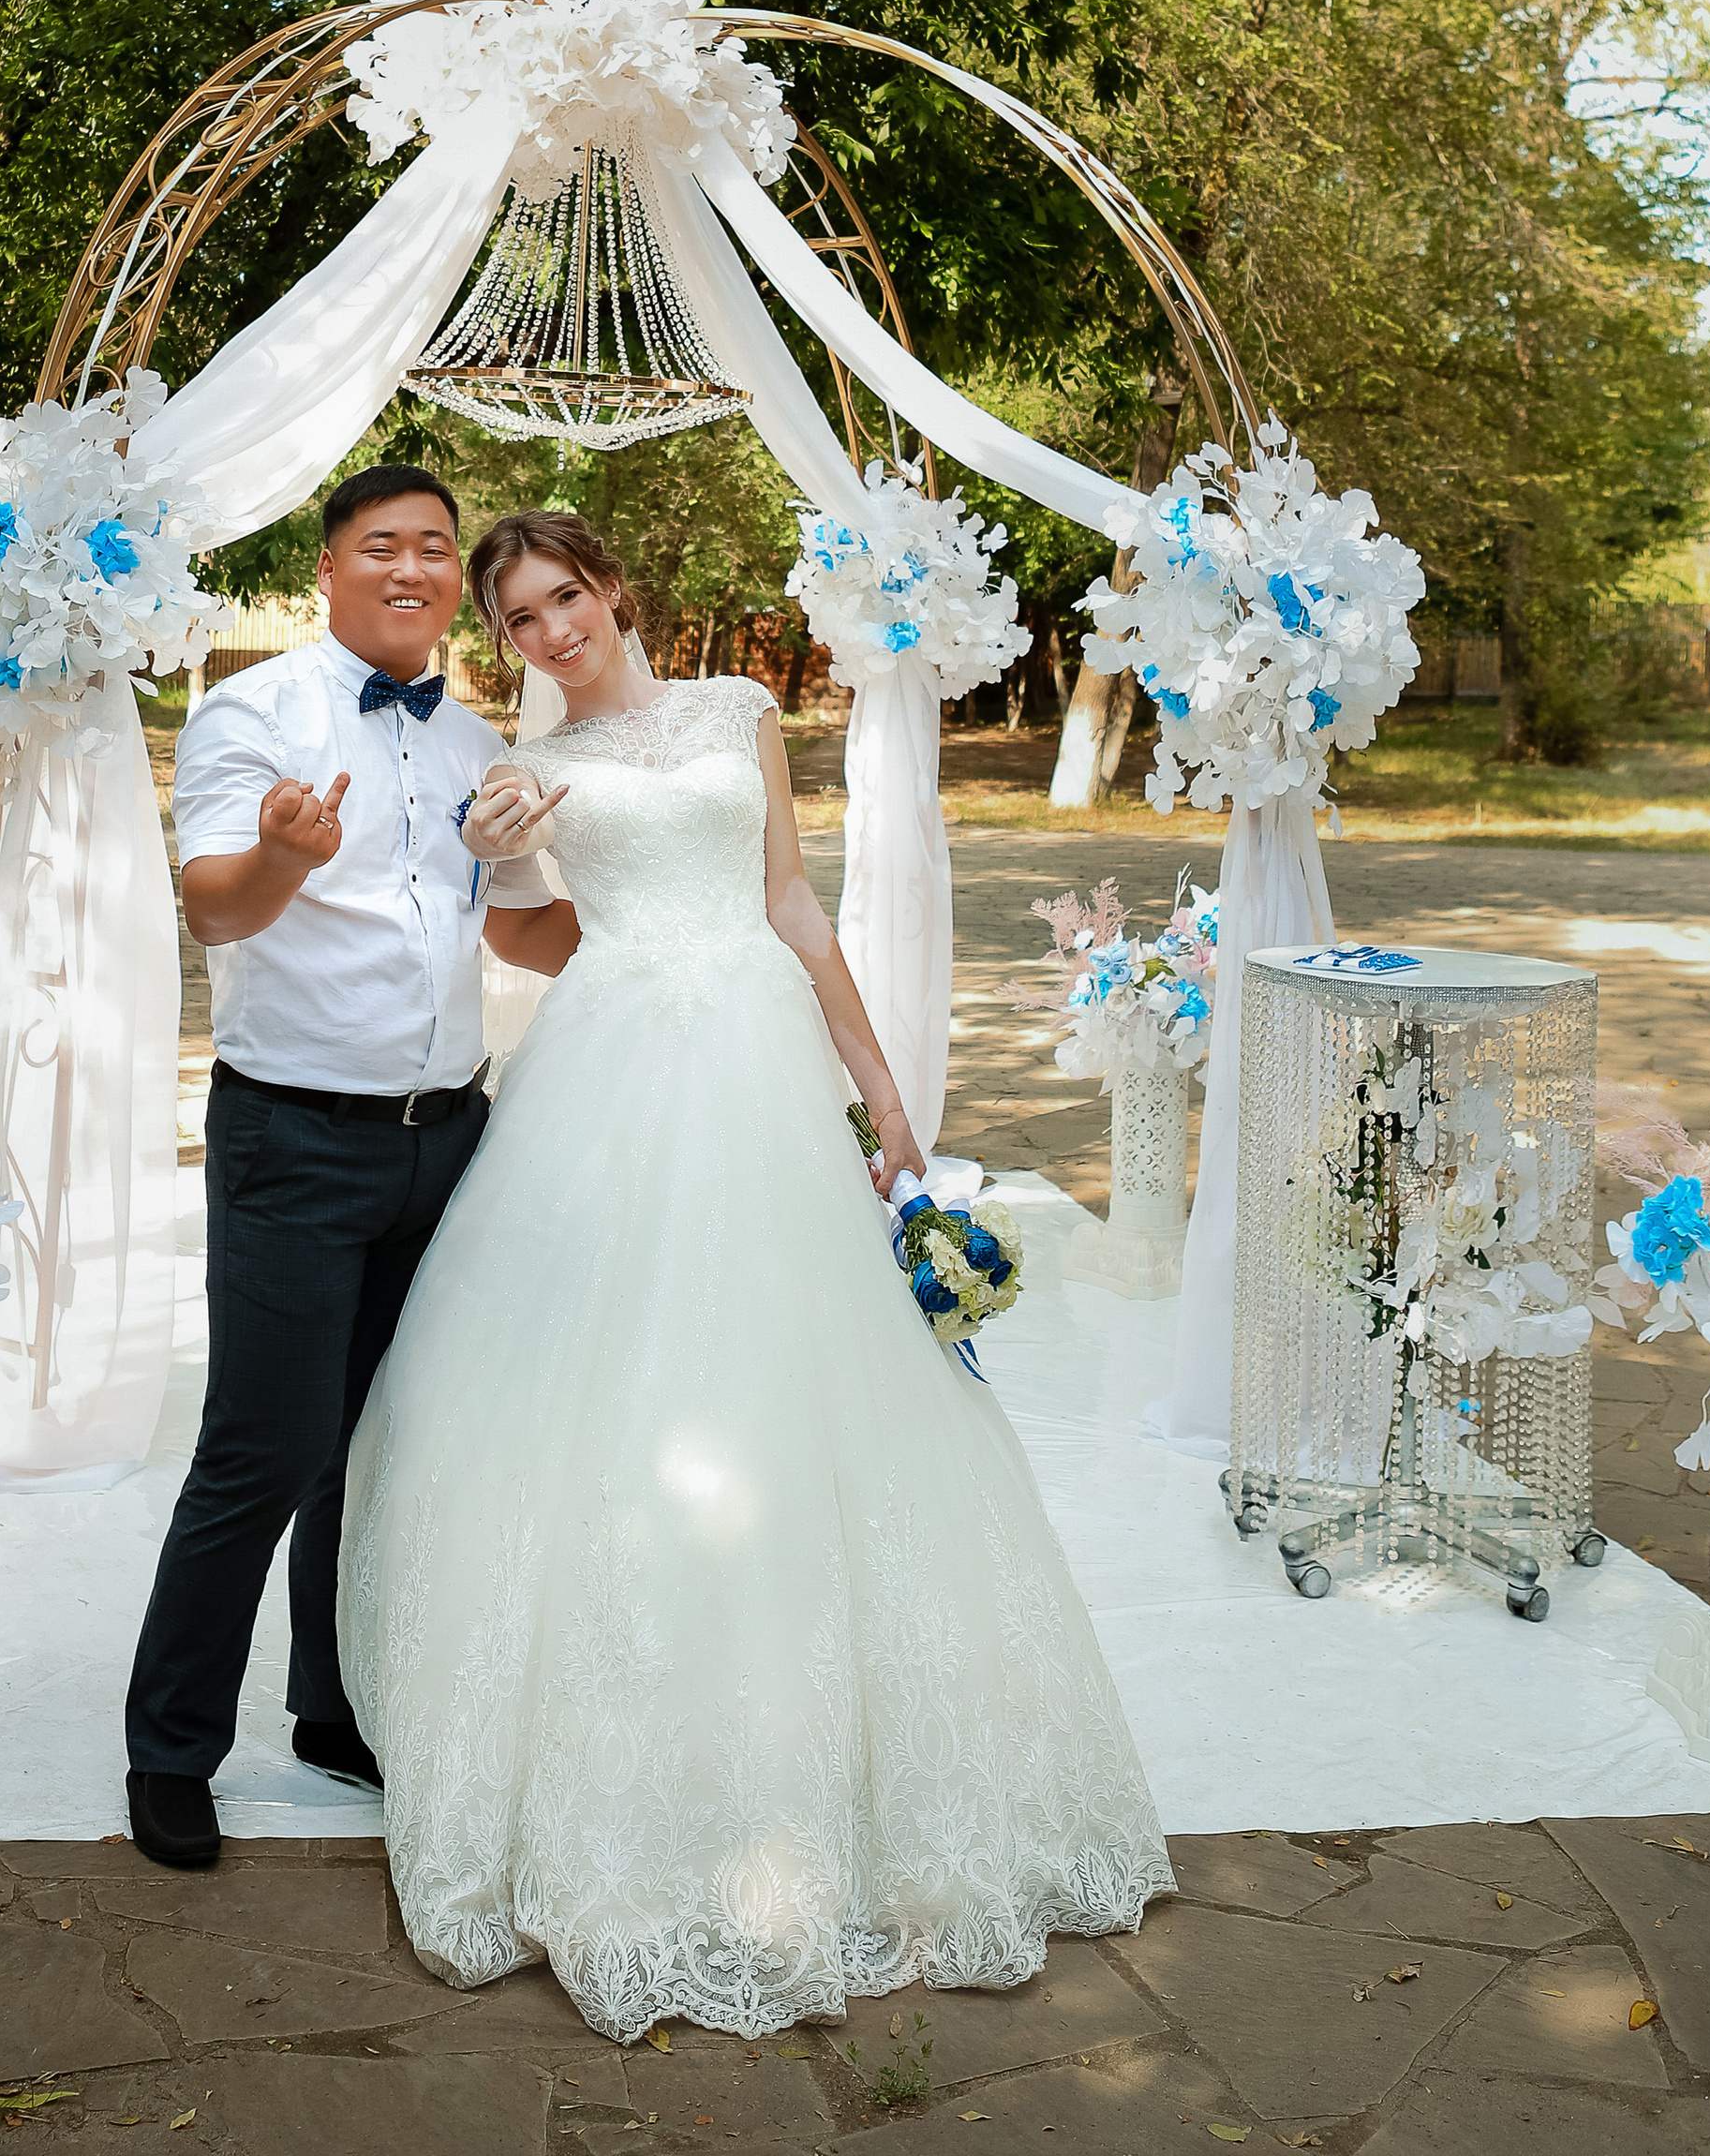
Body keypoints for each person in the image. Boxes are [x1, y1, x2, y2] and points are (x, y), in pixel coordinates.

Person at [338, 506, 1171, 2044]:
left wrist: (883, 1083)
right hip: (613, 1071)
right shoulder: (524, 765)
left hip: (763, 1066)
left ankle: (837, 1765)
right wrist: (504, 861)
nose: (548, 634)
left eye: (564, 598)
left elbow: (792, 902)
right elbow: (530, 940)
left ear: (613, 585)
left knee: (807, 1386)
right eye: (517, 619)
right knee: (604, 1397)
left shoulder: (736, 714)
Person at [121, 463, 559, 1872]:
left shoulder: (473, 739)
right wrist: (282, 858)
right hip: (297, 1137)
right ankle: (170, 1748)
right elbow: (213, 907)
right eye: (385, 547)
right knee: (262, 1449)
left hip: (448, 1141)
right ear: (328, 568)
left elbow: (515, 938)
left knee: (378, 1452)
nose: (415, 568)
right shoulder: (256, 713)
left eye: (438, 549)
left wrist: (631, 910)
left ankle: (333, 1707)